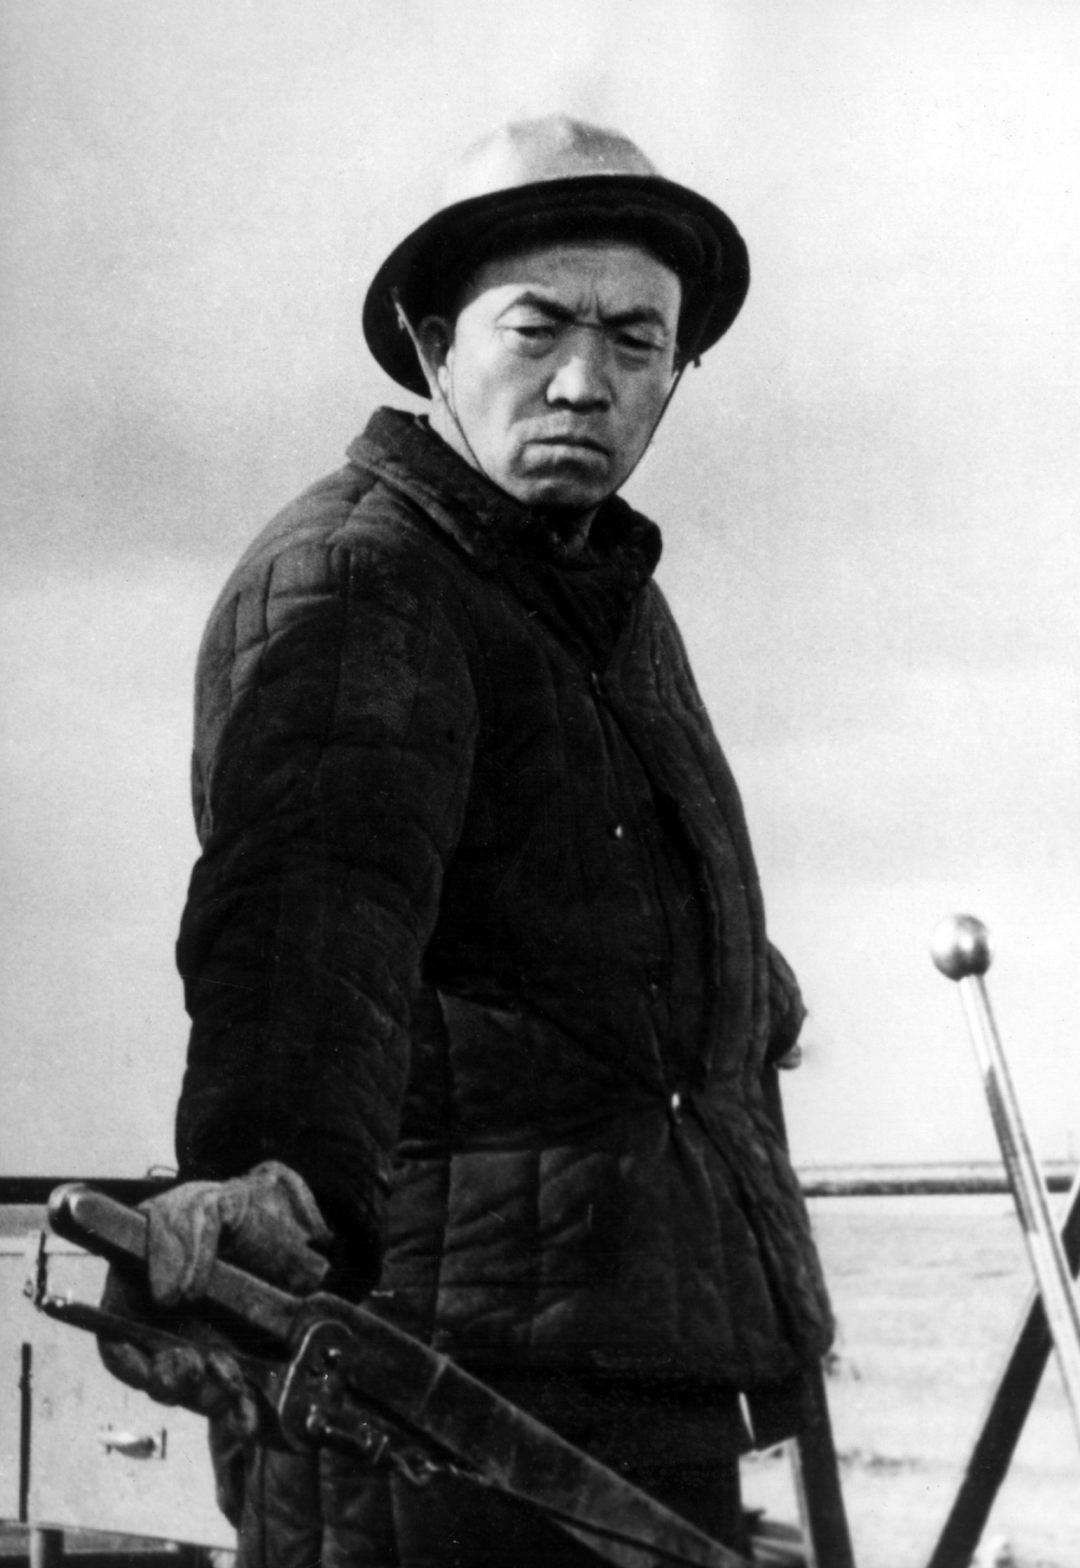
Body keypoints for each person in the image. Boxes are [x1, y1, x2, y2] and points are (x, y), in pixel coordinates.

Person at [101, 115, 834, 1565]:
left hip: (626, 1375)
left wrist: (744, 997)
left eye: (637, 340)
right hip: (422, 1403)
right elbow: (319, 911)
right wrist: (264, 1170)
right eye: (538, 328)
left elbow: (565, 881)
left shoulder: (596, 587)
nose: (585, 381)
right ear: (434, 345)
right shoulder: (361, 579)